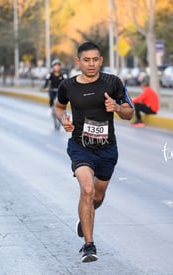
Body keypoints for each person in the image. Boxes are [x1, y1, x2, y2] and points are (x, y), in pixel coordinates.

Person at [54, 42, 134, 262]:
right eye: (86, 60)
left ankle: (86, 215)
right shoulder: (67, 86)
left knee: (97, 196)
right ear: (78, 61)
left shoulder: (113, 82)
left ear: (101, 60)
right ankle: (89, 245)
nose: (91, 64)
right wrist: (63, 120)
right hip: (80, 146)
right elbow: (59, 107)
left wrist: (117, 108)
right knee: (87, 190)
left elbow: (130, 112)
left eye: (95, 59)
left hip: (107, 149)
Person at [44, 59, 68, 130]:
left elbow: (67, 81)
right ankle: (50, 107)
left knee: (61, 101)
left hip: (60, 91)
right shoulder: (50, 74)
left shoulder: (63, 74)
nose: (57, 67)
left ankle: (62, 112)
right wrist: (45, 87)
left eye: (58, 66)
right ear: (53, 67)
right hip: (52, 89)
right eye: (55, 66)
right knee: (51, 97)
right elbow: (46, 81)